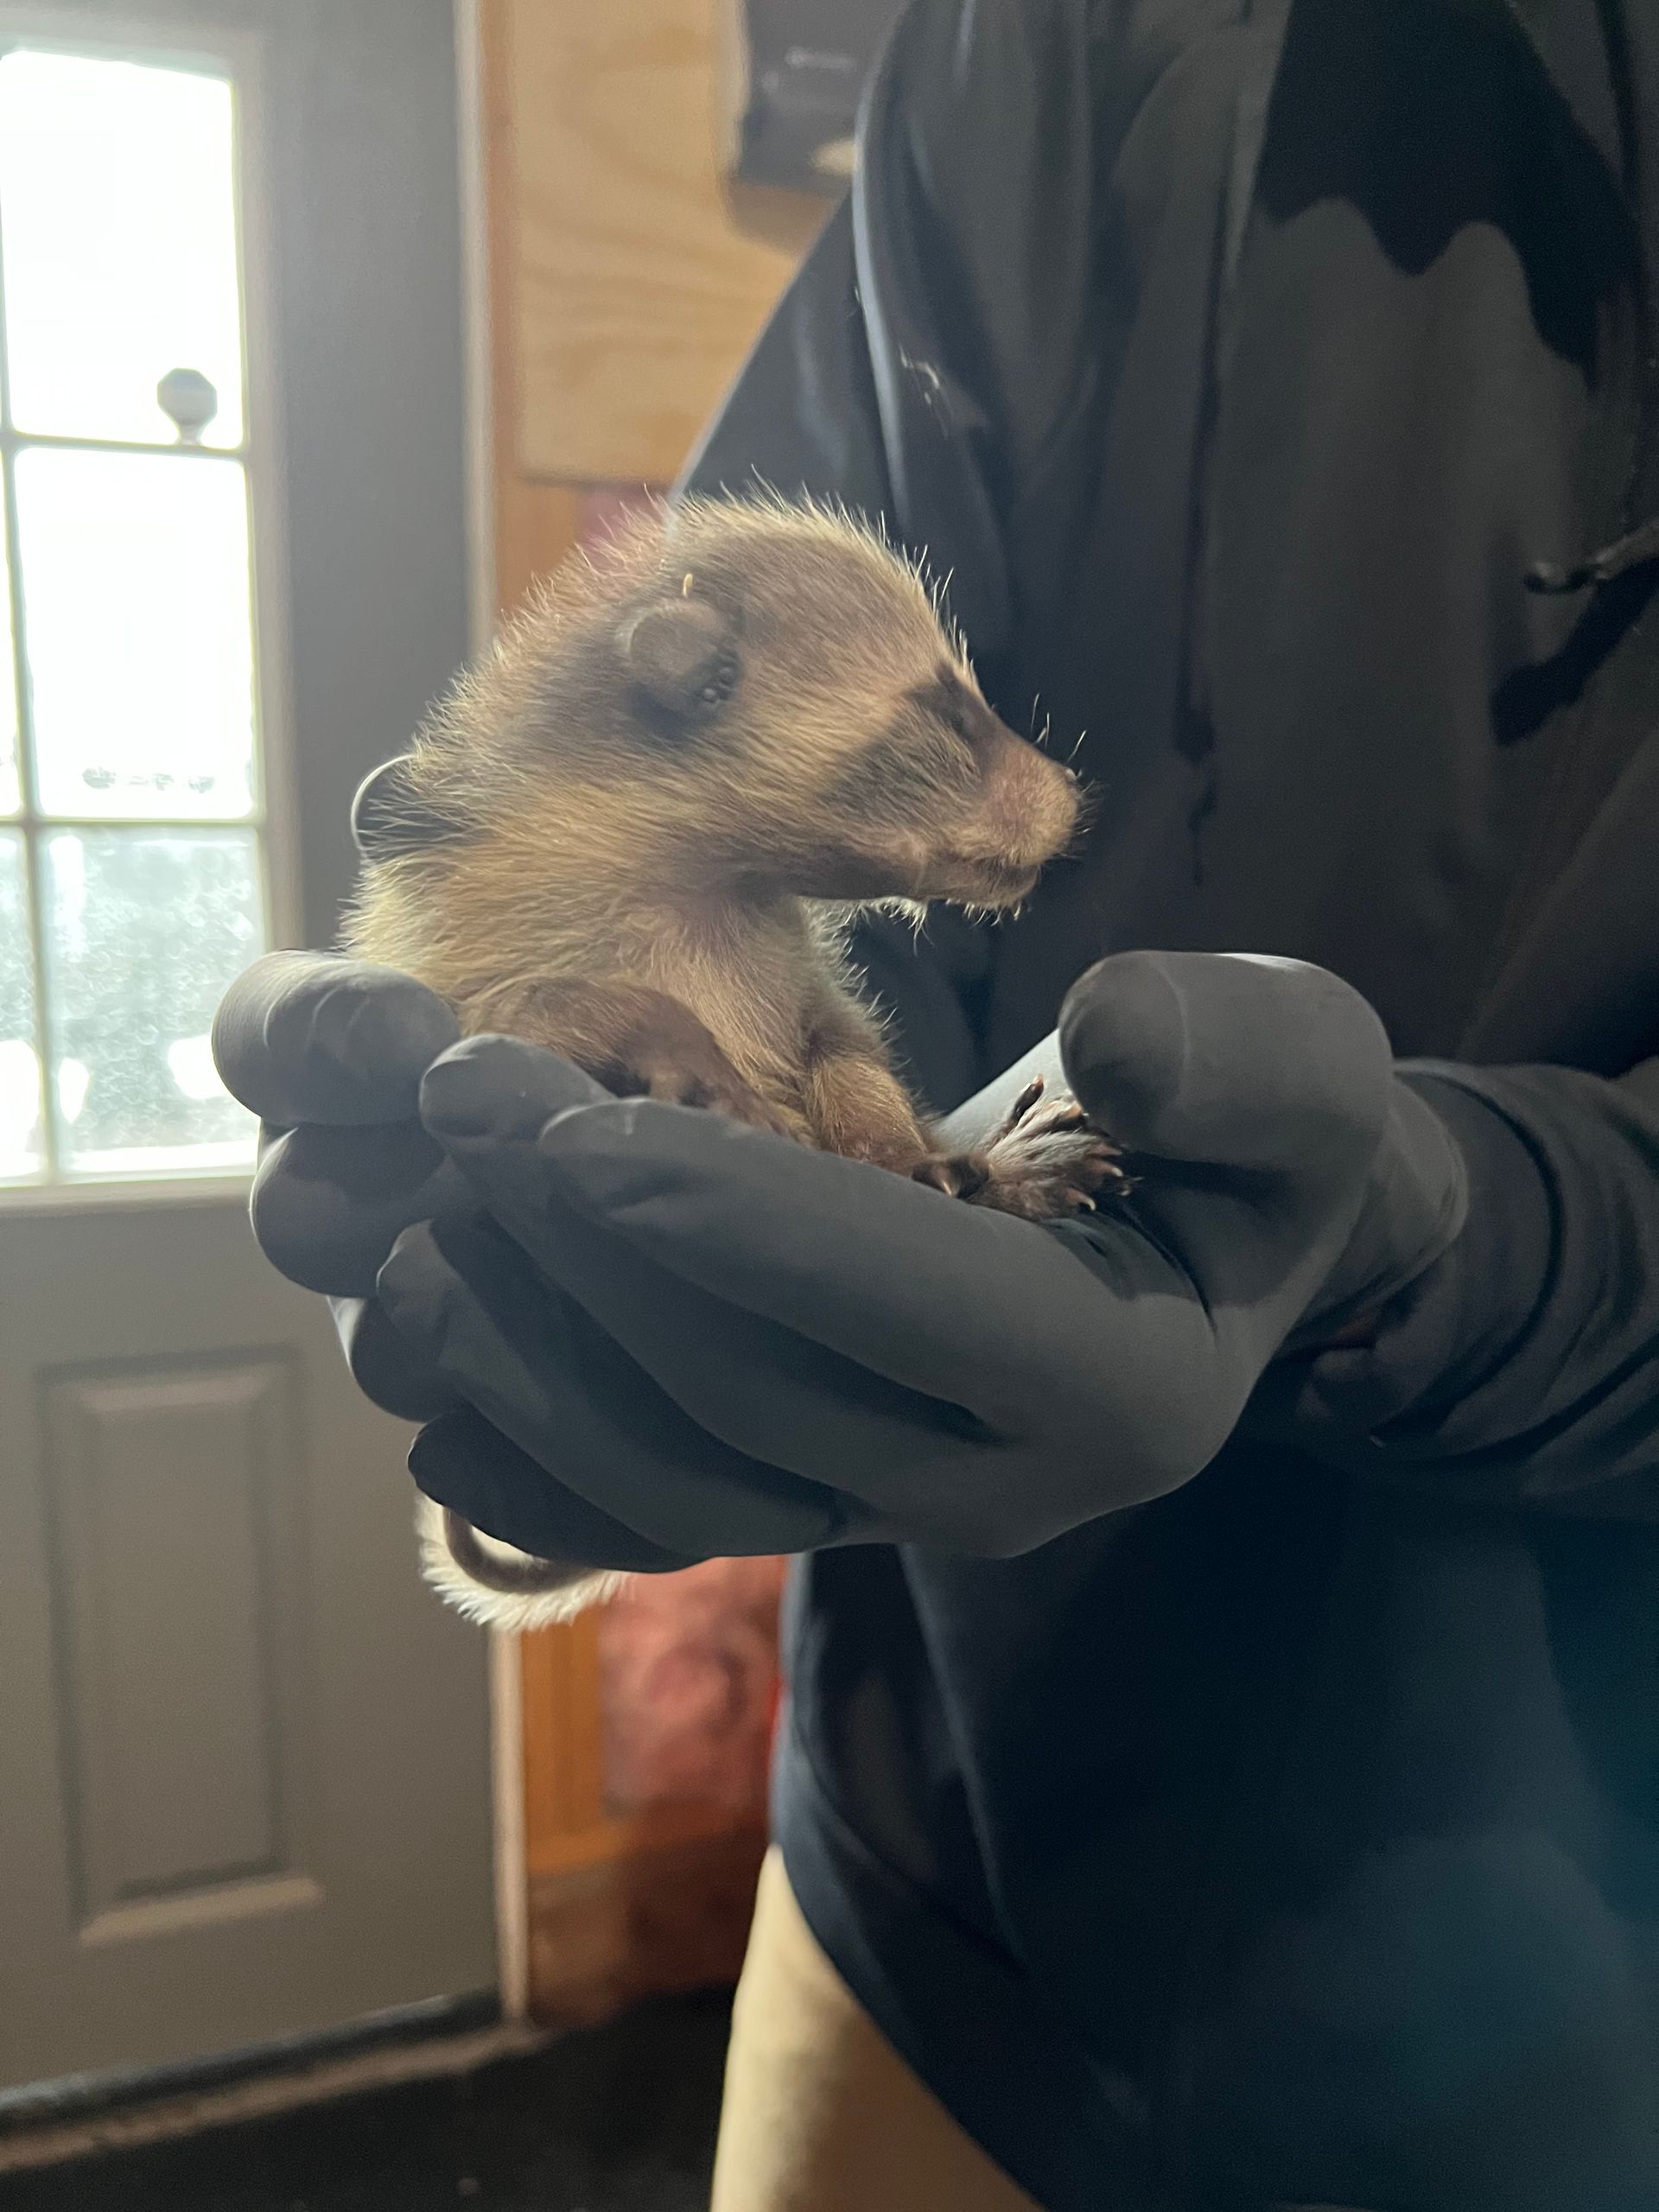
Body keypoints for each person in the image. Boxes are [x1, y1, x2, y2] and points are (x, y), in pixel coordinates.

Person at [214, 0, 1659, 2204]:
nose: (1031, 805)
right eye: (945, 737)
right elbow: (717, 662)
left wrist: (1468, 1231)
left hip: (1550, 1973)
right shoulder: (1034, 51)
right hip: (934, 1861)